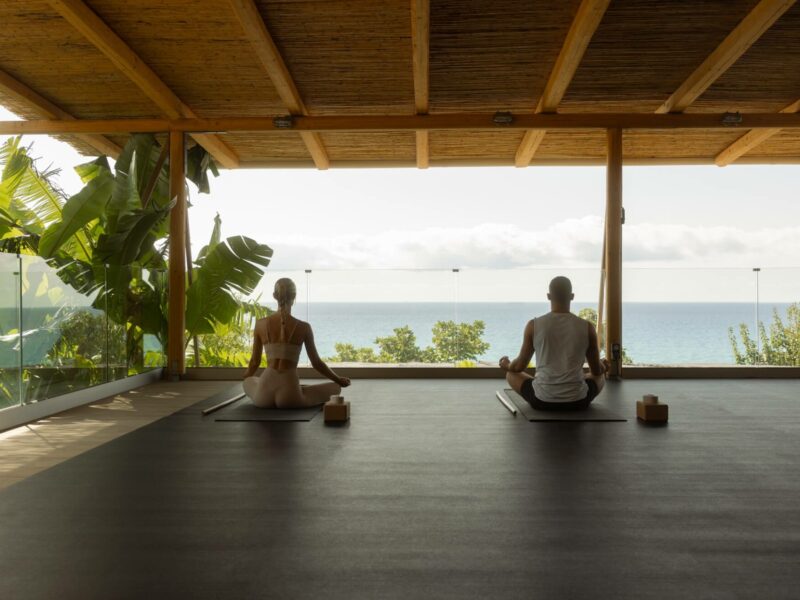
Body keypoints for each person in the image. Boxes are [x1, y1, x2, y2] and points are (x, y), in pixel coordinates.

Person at [499, 276, 609, 411]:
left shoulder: (534, 325)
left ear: (548, 296)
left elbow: (519, 366)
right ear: (572, 296)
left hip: (541, 400)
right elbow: (596, 370)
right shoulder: (587, 327)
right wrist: (604, 366)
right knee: (599, 376)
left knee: (511, 374)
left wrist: (506, 365)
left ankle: (545, 386)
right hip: (578, 401)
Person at [243, 278, 350, 408]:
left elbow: (255, 361)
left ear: (275, 296)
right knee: (335, 388)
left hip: (263, 397)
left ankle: (288, 389)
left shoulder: (260, 324)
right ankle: (300, 389)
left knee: (249, 381)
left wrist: (245, 378)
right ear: (294, 296)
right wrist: (338, 380)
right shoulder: (304, 327)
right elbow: (316, 363)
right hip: (290, 396)